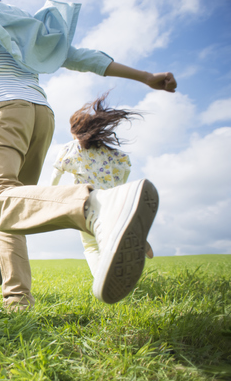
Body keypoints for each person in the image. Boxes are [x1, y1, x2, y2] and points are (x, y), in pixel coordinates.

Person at [0, 0, 176, 310]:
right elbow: (79, 56)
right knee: (12, 209)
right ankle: (18, 302)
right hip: (39, 115)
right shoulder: (28, 23)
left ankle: (98, 205)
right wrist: (145, 76)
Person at [50, 93, 154, 276]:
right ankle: (132, 234)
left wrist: (52, 194)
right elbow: (126, 166)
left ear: (74, 130)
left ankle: (102, 279)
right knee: (111, 234)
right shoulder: (107, 150)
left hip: (86, 202)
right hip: (111, 200)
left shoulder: (71, 147)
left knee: (91, 245)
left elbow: (56, 173)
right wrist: (118, 187)